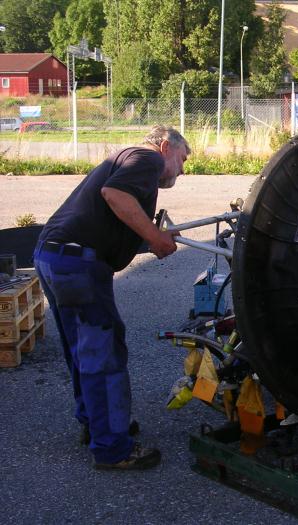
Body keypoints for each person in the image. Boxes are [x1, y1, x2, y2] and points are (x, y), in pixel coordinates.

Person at [33, 125, 190, 470]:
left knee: (83, 350)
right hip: (77, 264)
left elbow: (114, 221)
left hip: (53, 256)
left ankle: (96, 425)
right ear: (166, 146)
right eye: (182, 158)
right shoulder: (146, 157)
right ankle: (112, 448)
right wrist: (154, 236)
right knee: (103, 353)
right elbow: (115, 196)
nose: (182, 169)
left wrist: (152, 237)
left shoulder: (124, 159)